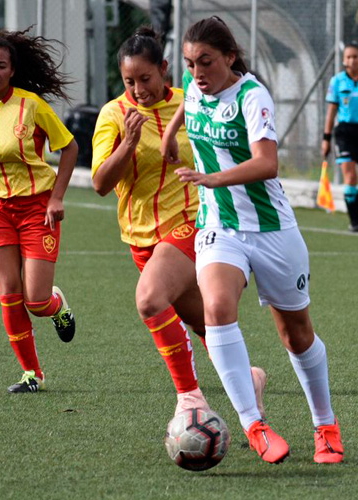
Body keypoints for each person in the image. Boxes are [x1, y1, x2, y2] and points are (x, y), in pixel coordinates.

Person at [161, 16, 343, 464]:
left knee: (295, 333)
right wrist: (169, 134)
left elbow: (267, 163)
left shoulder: (251, 95)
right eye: (190, 63)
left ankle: (325, 426)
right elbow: (189, 101)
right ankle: (253, 423)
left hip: (273, 231)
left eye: (206, 62)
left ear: (230, 57)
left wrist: (211, 177)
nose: (197, 72)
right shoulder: (194, 85)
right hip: (219, 229)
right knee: (217, 308)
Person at [91, 26, 266, 416]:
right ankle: (249, 379)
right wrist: (128, 145)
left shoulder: (193, 101)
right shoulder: (114, 115)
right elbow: (102, 183)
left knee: (150, 299)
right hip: (141, 239)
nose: (139, 89)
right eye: (129, 81)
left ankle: (190, 399)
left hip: (193, 223)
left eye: (146, 79)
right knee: (207, 326)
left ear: (165, 69)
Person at [0, 28, 79, 393]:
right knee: (8, 291)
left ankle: (58, 306)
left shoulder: (31, 105)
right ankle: (32, 374)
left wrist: (57, 197)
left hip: (38, 207)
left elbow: (68, 147)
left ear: (12, 70)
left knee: (35, 300)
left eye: (0, 66)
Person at [323, 40, 358, 230]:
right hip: (345, 133)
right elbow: (331, 111)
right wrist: (326, 138)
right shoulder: (337, 81)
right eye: (349, 57)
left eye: (355, 57)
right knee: (350, 177)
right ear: (344, 60)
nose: (352, 61)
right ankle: (354, 221)